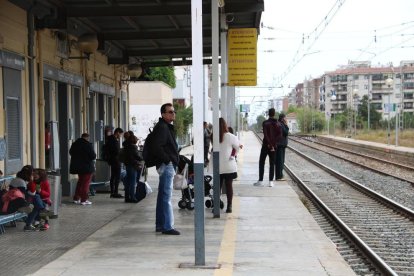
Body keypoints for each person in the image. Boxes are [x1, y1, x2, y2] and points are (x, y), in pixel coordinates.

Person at [152, 103, 180, 235]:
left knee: (162, 195)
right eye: (170, 112)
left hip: (166, 164)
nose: (173, 114)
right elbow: (158, 147)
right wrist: (168, 160)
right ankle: (167, 226)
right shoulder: (163, 127)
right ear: (163, 114)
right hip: (166, 165)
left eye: (173, 112)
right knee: (166, 196)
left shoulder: (165, 127)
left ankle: (160, 225)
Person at [218, 118, 241, 213]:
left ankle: (216, 205)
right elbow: (237, 148)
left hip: (217, 165)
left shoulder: (213, 136)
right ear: (225, 125)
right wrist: (233, 154)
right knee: (229, 186)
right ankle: (229, 206)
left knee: (217, 186)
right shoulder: (231, 136)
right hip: (228, 165)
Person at [253, 108, 281, 187]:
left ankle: (261, 180)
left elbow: (265, 134)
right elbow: (280, 135)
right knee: (272, 163)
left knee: (262, 162)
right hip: (274, 147)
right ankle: (271, 182)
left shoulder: (265, 123)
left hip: (266, 145)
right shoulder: (278, 124)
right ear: (274, 114)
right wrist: (273, 144)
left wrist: (269, 144)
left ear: (268, 114)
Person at [70, 133, 96, 206]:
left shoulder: (74, 144)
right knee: (85, 184)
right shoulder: (88, 145)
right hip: (87, 167)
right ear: (87, 138)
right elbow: (93, 156)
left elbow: (71, 152)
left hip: (78, 167)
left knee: (80, 182)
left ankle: (76, 198)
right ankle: (84, 199)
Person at [123, 134, 143, 203]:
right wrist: (141, 158)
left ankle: (127, 197)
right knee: (132, 182)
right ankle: (132, 197)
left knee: (128, 182)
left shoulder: (126, 146)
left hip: (128, 165)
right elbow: (136, 156)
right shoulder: (133, 147)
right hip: (133, 165)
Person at [105, 127, 124, 198]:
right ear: (118, 132)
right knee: (117, 176)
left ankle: (112, 192)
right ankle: (115, 192)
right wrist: (120, 153)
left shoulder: (110, 139)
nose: (121, 136)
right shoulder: (114, 140)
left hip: (112, 160)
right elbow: (116, 151)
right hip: (116, 160)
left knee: (113, 176)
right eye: (121, 134)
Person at [276, 114, 289, 181]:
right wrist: (286, 124)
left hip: (280, 145)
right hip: (280, 145)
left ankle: (279, 175)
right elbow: (286, 132)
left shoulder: (279, 124)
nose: (286, 119)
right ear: (283, 118)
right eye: (285, 118)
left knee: (279, 161)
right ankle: (279, 176)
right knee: (280, 161)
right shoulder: (281, 125)